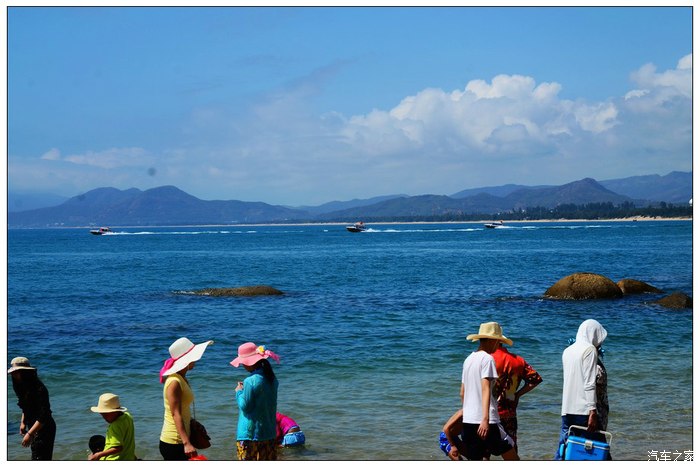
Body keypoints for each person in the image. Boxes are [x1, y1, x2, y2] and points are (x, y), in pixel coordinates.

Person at [461, 322, 519, 461]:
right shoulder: (487, 359)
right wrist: (485, 419)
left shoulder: (468, 360)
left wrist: (468, 414)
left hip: (468, 421)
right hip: (487, 421)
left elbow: (462, 392)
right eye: (498, 342)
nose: (498, 345)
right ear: (492, 340)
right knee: (512, 457)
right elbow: (485, 388)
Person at [555, 319, 608, 460]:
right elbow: (589, 383)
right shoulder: (589, 350)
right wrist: (592, 411)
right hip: (584, 411)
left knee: (564, 450)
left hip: (567, 410)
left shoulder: (567, 351)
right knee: (596, 451)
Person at [159, 337, 213, 460]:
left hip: (180, 439)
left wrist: (191, 421)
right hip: (174, 441)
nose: (196, 360)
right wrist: (187, 443)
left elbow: (182, 409)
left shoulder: (181, 378)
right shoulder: (174, 381)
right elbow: (175, 414)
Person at [230, 342, 281, 460]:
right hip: (269, 433)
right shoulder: (272, 379)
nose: (242, 365)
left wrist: (239, 392)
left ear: (249, 362)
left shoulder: (250, 381)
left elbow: (245, 406)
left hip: (250, 435)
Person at [491, 341, 543, 451]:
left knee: (484, 452)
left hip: (489, 414)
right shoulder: (518, 360)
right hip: (509, 413)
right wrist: (517, 394)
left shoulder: (487, 359)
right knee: (512, 451)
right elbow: (535, 379)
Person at [8, 357, 57, 460]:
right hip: (33, 426)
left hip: (45, 427)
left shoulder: (39, 389)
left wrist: (30, 434)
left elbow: (45, 415)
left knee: (40, 458)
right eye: (12, 372)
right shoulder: (21, 387)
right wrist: (23, 422)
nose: (13, 375)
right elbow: (25, 406)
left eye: (16, 372)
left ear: (24, 372)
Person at [88, 393, 136, 460]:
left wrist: (99, 455)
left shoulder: (115, 426)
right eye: (102, 415)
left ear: (115, 412)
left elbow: (118, 448)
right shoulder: (128, 416)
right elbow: (127, 439)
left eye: (105, 414)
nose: (103, 417)